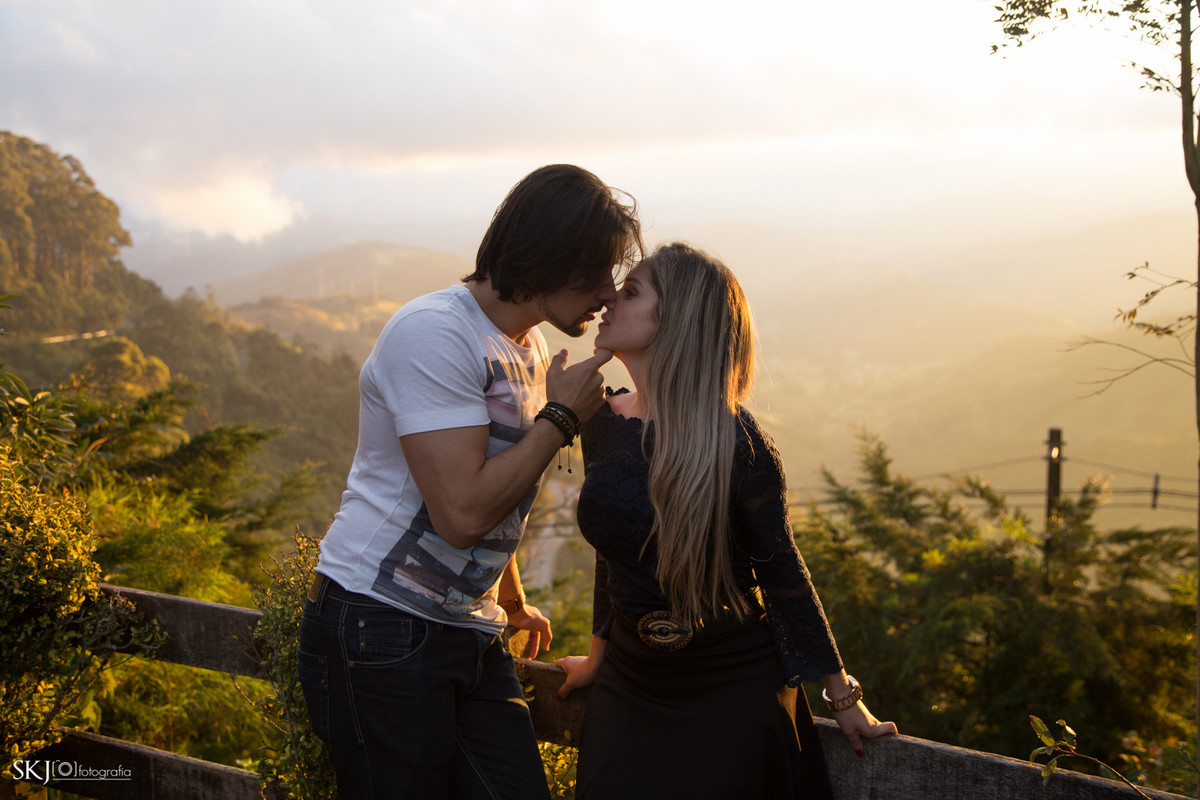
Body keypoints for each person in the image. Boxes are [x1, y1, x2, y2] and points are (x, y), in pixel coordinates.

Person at [298, 164, 643, 800]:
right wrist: (561, 417)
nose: (608, 293)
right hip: (380, 624)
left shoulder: (529, 346)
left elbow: (498, 493)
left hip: (466, 626)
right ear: (550, 259)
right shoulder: (433, 333)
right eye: (598, 273)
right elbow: (460, 513)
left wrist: (509, 600)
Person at [554, 242, 897, 799]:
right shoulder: (602, 422)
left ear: (677, 320)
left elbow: (782, 569)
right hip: (631, 680)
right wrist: (599, 655)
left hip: (730, 687)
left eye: (633, 290)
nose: (610, 298)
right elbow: (614, 553)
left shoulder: (736, 441)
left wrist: (841, 696)